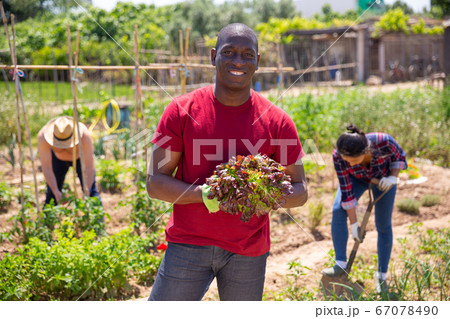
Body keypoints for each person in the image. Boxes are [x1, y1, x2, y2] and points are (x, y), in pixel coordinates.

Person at [146, 23, 308, 301]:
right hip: (188, 243)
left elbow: (301, 190)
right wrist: (210, 194)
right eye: (229, 52)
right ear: (213, 56)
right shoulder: (181, 110)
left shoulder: (277, 121)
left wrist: (261, 194)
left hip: (248, 249)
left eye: (247, 55)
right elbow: (155, 183)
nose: (238, 61)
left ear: (257, 61)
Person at [322, 124, 407, 293]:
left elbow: (399, 156)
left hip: (384, 180)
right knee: (338, 209)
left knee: (383, 224)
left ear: (366, 151)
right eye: (347, 161)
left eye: (353, 161)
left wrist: (392, 177)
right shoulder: (339, 156)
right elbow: (346, 190)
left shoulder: (384, 142)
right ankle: (340, 264)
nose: (350, 163)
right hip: (358, 180)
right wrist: (354, 226)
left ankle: (381, 277)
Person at [38, 116, 101, 206]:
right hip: (58, 160)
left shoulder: (84, 136)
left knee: (91, 195)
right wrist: (56, 191)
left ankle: (97, 218)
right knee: (52, 196)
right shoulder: (43, 138)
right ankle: (48, 218)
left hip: (80, 159)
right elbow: (47, 168)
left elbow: (89, 167)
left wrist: (88, 189)